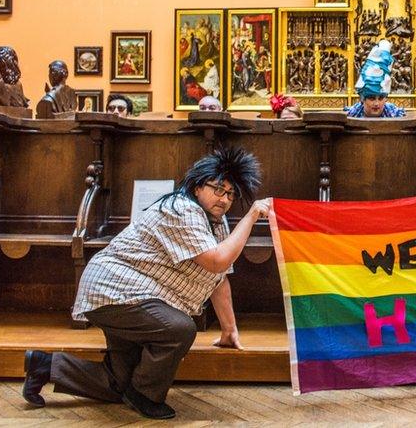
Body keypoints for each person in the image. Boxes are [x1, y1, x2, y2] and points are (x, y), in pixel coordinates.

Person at [21, 147, 270, 419]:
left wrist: (229, 330)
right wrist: (252, 215)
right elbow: (217, 261)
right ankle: (145, 396)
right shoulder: (181, 209)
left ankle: (44, 365)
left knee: (118, 382)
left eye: (231, 194)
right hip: (114, 291)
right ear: (198, 187)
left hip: (135, 296)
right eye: (218, 190)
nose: (224, 199)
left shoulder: (216, 221)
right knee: (179, 328)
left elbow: (219, 279)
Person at [345, 40, 407, 118]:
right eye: (372, 98)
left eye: (381, 98)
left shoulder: (396, 114)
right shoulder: (350, 115)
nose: (376, 103)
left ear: (385, 99)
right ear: (362, 99)